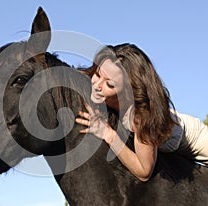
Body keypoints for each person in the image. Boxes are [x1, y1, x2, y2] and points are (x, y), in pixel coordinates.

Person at [75, 43, 208, 182]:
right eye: (97, 74)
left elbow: (144, 172)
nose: (97, 85)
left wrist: (109, 135)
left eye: (109, 84)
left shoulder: (140, 116)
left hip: (196, 139)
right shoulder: (96, 85)